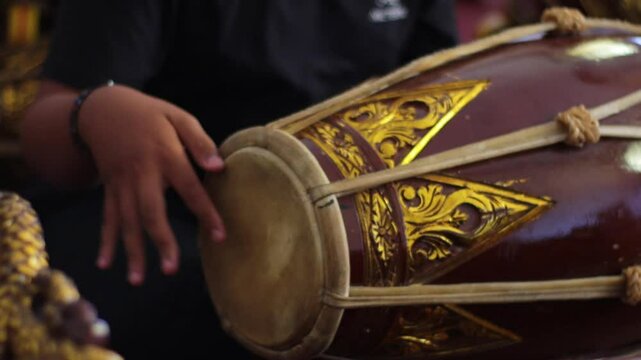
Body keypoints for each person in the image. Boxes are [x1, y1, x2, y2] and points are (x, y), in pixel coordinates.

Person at [19, 1, 458, 358]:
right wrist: (95, 111)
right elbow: (44, 130)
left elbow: (445, 104)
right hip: (167, 218)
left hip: (355, 232)